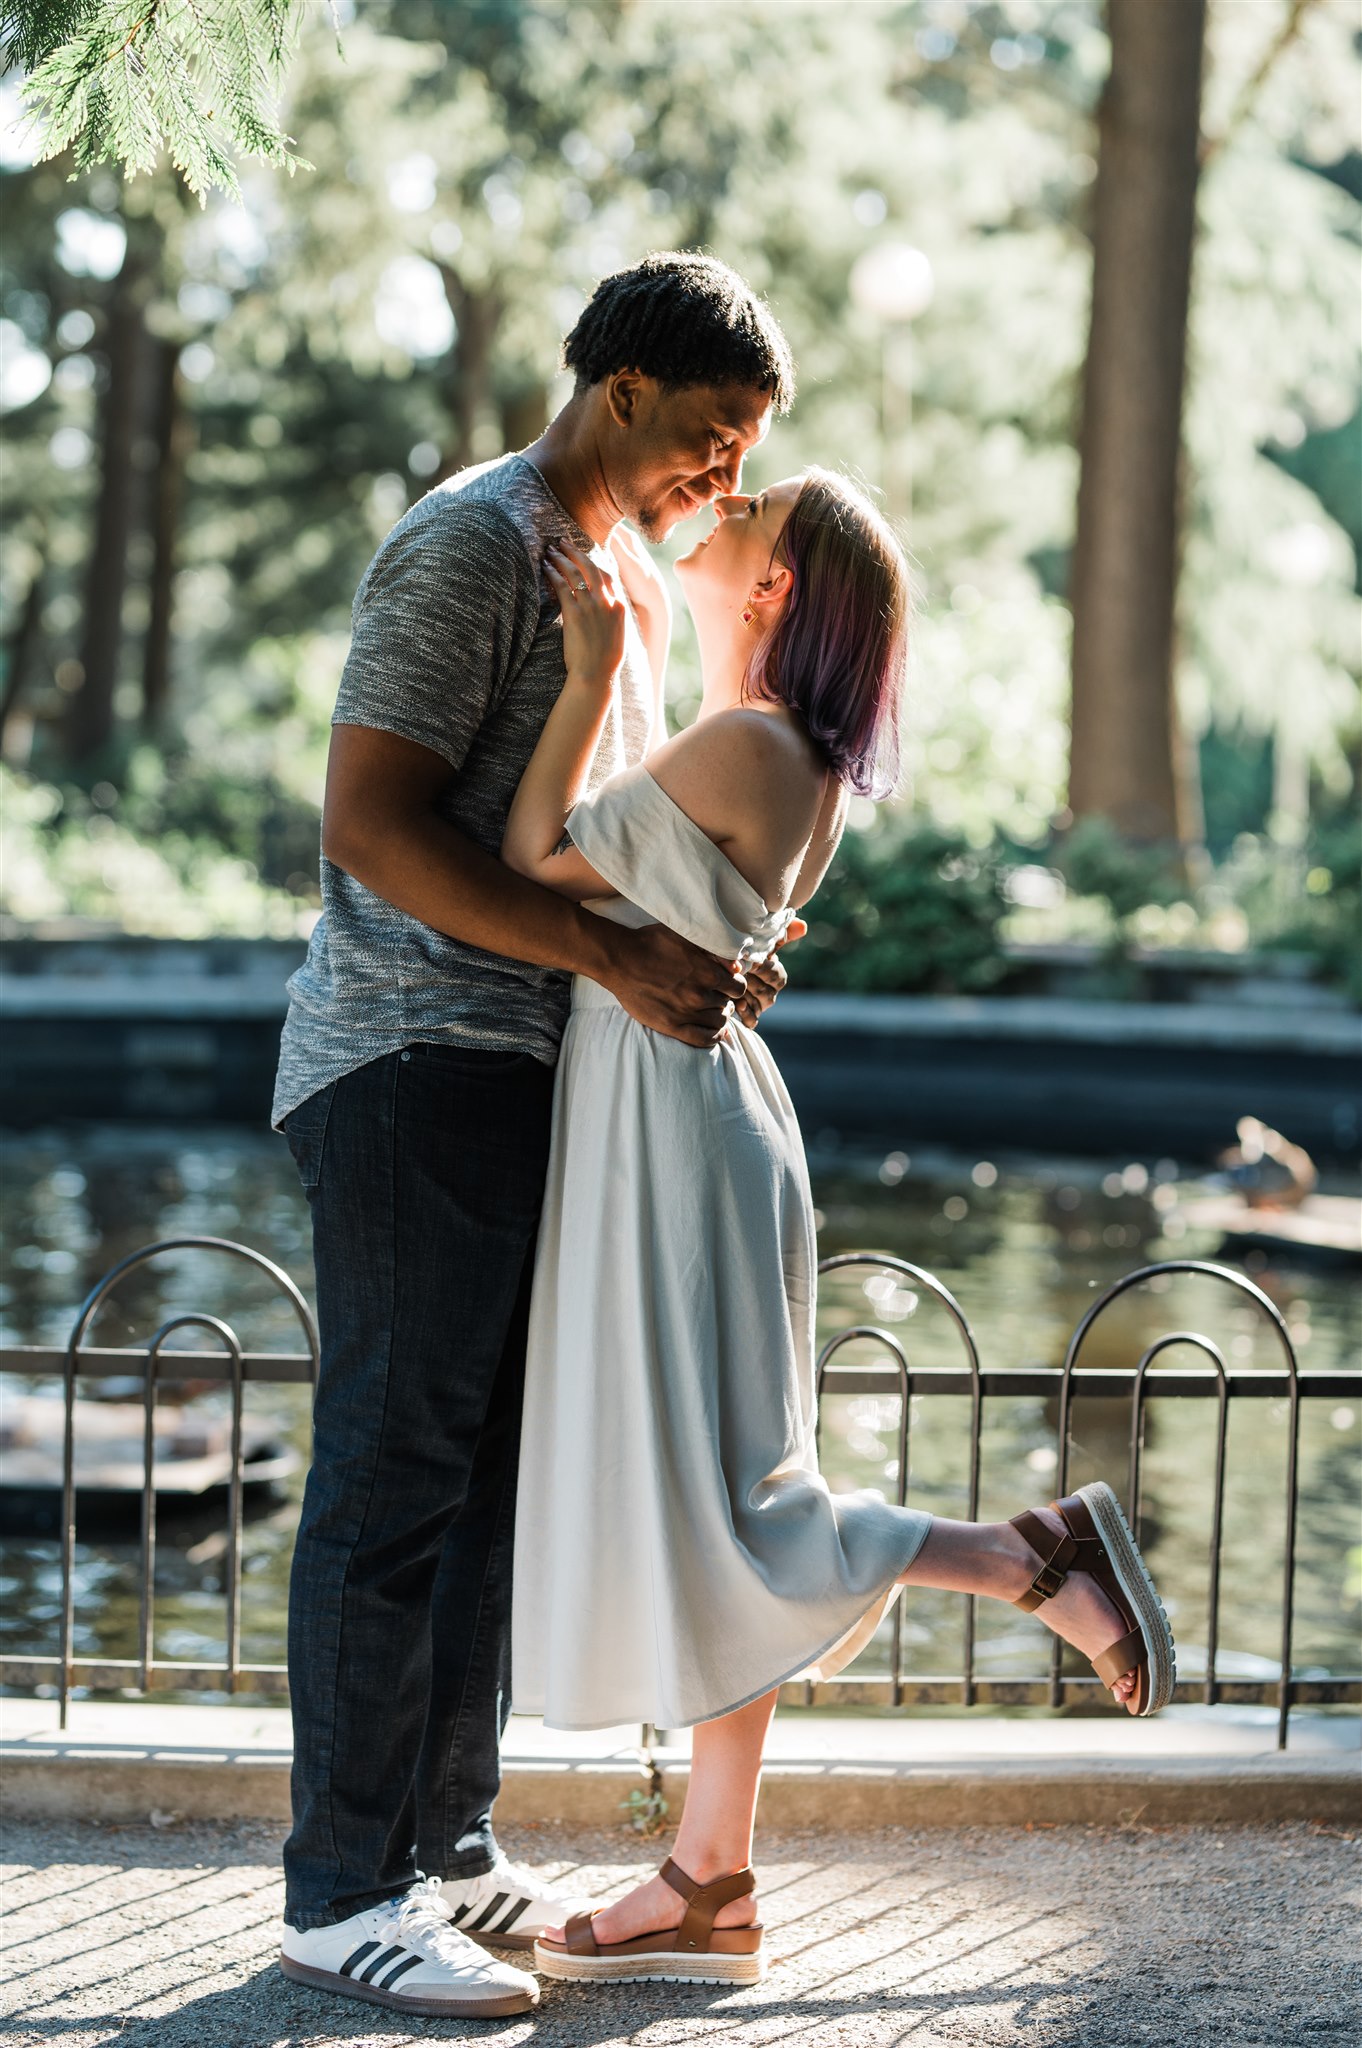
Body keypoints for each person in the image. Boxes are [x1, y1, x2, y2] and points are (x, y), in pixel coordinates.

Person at [499, 468, 1178, 1989]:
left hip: (671, 1127)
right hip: (689, 1113)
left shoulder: (747, 742)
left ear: (776, 587)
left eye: (748, 511)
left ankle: (1027, 1555)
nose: (713, 504)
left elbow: (537, 857)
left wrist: (599, 667)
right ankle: (708, 1877)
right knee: (727, 1489)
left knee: (723, 1505)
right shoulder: (767, 745)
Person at [273, 252, 799, 2021]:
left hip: (534, 1080)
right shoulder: (473, 542)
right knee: (393, 1476)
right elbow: (370, 824)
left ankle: (439, 1851)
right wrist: (605, 948)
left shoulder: (615, 584)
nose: (716, 482)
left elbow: (581, 842)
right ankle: (336, 1894)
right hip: (411, 1061)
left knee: (483, 1486)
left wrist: (698, 944)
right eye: (709, 440)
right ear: (621, 387)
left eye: (741, 460)